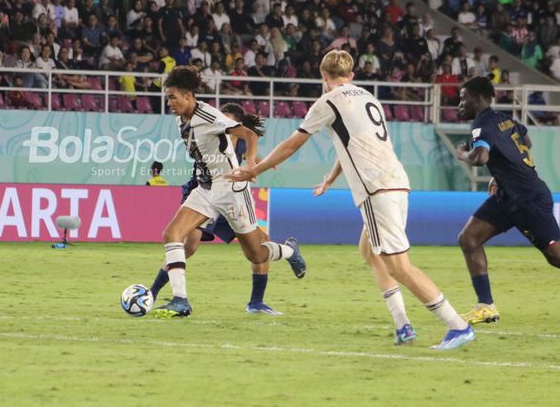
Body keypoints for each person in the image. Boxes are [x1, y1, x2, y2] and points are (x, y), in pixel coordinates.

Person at [227, 51, 474, 350]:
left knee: (398, 266)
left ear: (323, 76)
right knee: (370, 252)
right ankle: (402, 325)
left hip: (375, 189)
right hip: (395, 182)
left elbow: (292, 145)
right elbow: (355, 144)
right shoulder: (368, 98)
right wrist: (331, 178)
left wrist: (253, 169)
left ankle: (457, 325)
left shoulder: (328, 101)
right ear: (351, 75)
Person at [152, 66, 306, 318]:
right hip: (204, 187)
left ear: (188, 95)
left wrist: (250, 162)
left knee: (255, 253)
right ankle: (180, 300)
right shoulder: (182, 117)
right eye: (167, 97)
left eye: (172, 97)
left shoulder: (209, 115)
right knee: (172, 234)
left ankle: (289, 250)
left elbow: (248, 132)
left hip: (231, 189)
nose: (169, 102)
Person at [456, 76, 560, 325]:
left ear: (478, 98)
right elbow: (526, 141)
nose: (459, 103)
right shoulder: (505, 118)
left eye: (463, 98)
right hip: (507, 195)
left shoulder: (482, 124)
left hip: (528, 198)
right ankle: (486, 306)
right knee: (469, 239)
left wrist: (462, 155)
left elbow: (480, 157)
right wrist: (501, 174)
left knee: (555, 256)